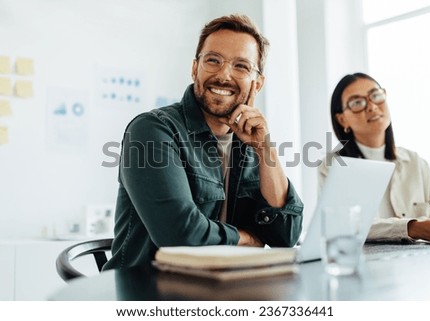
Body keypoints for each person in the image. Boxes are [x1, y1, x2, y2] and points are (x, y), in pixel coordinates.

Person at [103, 14, 303, 270]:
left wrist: (264, 148)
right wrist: (247, 238)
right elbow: (180, 235)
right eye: (213, 60)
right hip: (148, 294)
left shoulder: (251, 142)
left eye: (241, 66)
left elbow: (287, 235)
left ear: (258, 83)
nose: (224, 75)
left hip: (223, 289)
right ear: (195, 68)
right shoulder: (152, 130)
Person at [319, 72, 430, 243]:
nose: (372, 106)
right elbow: (342, 225)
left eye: (375, 95)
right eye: (357, 102)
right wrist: (412, 228)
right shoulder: (332, 166)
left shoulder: (415, 162)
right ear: (342, 119)